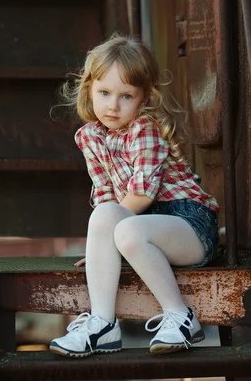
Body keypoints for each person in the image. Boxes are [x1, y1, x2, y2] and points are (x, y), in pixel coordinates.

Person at [49, 34, 219, 358]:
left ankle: (181, 317)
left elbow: (141, 195)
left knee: (124, 229)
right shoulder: (90, 137)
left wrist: (110, 238)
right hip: (141, 230)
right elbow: (105, 199)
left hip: (189, 225)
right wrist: (100, 248)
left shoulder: (145, 128)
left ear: (144, 98)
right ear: (89, 90)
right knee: (105, 216)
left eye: (126, 96)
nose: (113, 105)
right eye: (104, 93)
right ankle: (102, 324)